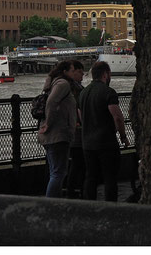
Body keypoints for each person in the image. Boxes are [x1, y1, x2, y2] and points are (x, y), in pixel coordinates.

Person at [78, 60, 130, 201]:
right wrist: (123, 136)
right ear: (106, 74)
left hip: (87, 143)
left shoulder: (83, 93)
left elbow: (81, 116)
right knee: (110, 177)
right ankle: (110, 207)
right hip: (106, 142)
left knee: (91, 176)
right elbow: (117, 117)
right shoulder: (108, 92)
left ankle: (90, 205)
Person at [37, 60, 78, 197]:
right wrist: (48, 123)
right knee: (58, 173)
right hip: (58, 134)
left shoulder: (52, 83)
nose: (74, 73)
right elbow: (51, 102)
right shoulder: (63, 84)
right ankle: (51, 204)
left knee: (55, 171)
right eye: (72, 70)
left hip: (51, 135)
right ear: (65, 72)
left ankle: (55, 201)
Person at [65, 60, 86, 198]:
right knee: (79, 163)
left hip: (69, 131)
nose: (82, 76)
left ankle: (72, 191)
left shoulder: (68, 87)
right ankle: (74, 192)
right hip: (77, 132)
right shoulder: (76, 90)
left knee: (74, 163)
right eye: (80, 72)